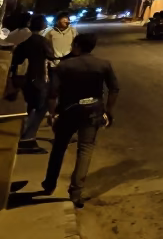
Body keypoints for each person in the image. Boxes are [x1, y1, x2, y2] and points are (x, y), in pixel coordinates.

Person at [43, 32, 119, 207]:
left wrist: (51, 114)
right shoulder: (103, 64)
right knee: (85, 150)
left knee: (59, 147)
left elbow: (52, 94)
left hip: (68, 111)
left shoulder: (64, 66)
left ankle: (49, 184)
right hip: (93, 111)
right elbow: (114, 89)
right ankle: (76, 192)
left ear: (76, 46)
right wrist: (109, 111)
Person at [12, 14, 54, 154]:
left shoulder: (26, 41)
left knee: (30, 107)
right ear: (42, 25)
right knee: (42, 107)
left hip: (27, 79)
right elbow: (51, 55)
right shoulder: (42, 41)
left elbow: (16, 59)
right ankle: (28, 138)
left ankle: (23, 135)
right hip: (39, 78)